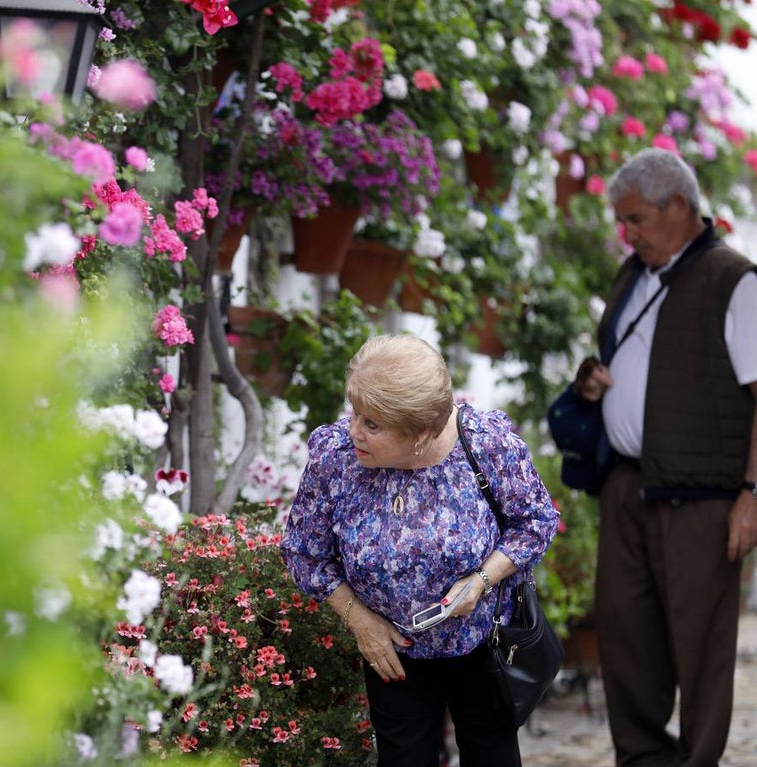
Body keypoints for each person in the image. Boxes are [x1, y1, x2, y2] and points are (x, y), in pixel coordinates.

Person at [280, 333, 559, 767]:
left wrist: (483, 579)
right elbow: (304, 553)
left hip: (485, 644)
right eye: (356, 413)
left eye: (373, 425)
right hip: (393, 653)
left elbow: (536, 521)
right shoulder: (336, 456)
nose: (354, 431)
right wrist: (361, 622)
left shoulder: (486, 445)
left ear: (422, 433)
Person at [571, 147, 757, 767]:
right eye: (623, 222)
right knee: (626, 642)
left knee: (699, 650)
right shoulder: (634, 275)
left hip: (702, 501)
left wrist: (751, 496)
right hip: (627, 486)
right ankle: (643, 760)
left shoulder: (735, 279)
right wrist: (593, 384)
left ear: (679, 205)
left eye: (637, 219)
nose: (628, 233)